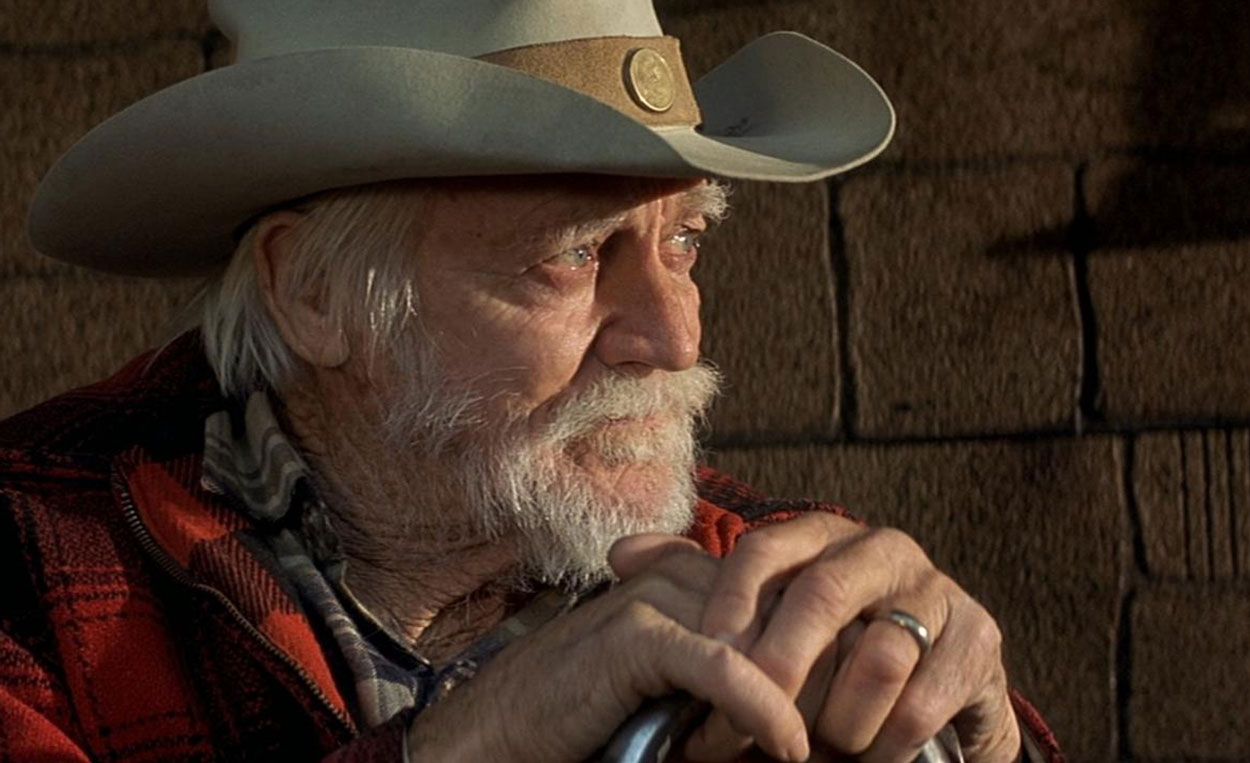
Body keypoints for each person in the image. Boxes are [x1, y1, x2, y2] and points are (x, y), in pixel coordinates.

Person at [0, 1, 1060, 761]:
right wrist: (478, 740)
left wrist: (985, 740)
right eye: (577, 253)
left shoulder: (765, 571)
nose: (674, 337)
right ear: (312, 293)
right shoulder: (34, 571)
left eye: (684, 241)